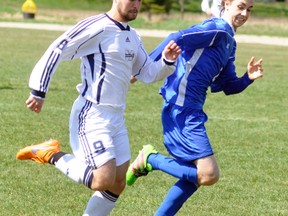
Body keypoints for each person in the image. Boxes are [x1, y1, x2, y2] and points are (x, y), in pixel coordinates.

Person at [15, 0, 181, 215]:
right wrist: (38, 90)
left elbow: (146, 72)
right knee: (102, 180)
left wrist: (167, 61)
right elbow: (57, 49)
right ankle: (50, 154)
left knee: (118, 182)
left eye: (140, 0)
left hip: (116, 117)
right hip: (92, 113)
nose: (136, 5)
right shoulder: (97, 26)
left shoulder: (132, 35)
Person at [126, 0, 263, 215]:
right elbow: (176, 37)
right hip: (181, 107)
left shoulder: (229, 42)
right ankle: (150, 158)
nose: (245, 13)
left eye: (249, 9)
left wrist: (248, 78)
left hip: (192, 109)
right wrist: (143, 68)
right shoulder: (215, 28)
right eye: (241, 6)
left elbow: (226, 85)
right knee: (208, 174)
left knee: (193, 176)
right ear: (227, 4)